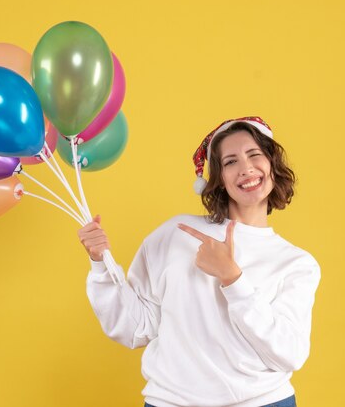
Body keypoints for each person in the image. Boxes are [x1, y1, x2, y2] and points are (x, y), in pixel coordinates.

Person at [77, 117, 320, 407]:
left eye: (254, 154)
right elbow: (136, 327)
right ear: (218, 179)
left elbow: (288, 352)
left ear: (273, 165)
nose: (245, 168)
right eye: (230, 162)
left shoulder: (296, 263)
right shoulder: (176, 234)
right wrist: (100, 263)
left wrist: (232, 278)